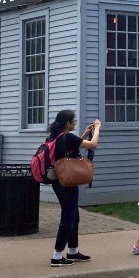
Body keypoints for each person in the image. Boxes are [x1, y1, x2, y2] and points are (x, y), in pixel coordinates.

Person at [48, 109, 100, 267]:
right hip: (67, 181)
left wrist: (84, 134)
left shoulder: (56, 137)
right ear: (67, 123)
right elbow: (93, 145)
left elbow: (71, 148)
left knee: (73, 216)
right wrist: (97, 128)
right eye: (74, 121)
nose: (75, 123)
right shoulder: (67, 137)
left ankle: (73, 250)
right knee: (68, 217)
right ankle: (57, 256)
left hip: (60, 180)